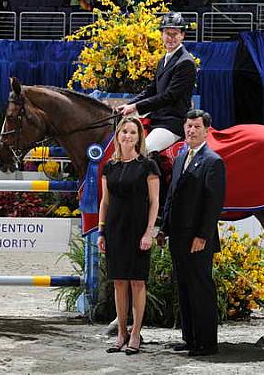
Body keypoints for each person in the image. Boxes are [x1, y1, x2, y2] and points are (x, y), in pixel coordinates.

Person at [158, 109, 226, 357]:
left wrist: (202, 236)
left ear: (207, 130)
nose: (191, 130)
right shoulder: (180, 158)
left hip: (198, 239)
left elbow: (213, 205)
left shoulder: (213, 161)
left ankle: (207, 342)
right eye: (188, 126)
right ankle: (189, 338)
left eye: (197, 126)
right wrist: (163, 229)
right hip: (177, 236)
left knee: (201, 288)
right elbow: (172, 198)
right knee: (184, 287)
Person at [97, 116, 160, 355]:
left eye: (132, 132)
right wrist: (101, 230)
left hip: (138, 231)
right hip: (114, 230)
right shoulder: (109, 167)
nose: (127, 136)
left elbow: (154, 202)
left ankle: (135, 333)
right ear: (118, 135)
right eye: (124, 132)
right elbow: (105, 201)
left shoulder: (148, 165)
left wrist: (148, 232)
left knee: (137, 281)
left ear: (138, 137)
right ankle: (121, 332)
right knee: (119, 281)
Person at [117, 12, 196, 155]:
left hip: (172, 123)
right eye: (167, 33)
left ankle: (153, 178)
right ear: (161, 35)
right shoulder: (163, 60)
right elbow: (152, 89)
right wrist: (129, 104)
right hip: (157, 119)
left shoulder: (186, 62)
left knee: (144, 150)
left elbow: (169, 96)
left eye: (175, 34)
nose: (171, 38)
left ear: (182, 35)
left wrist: (136, 107)